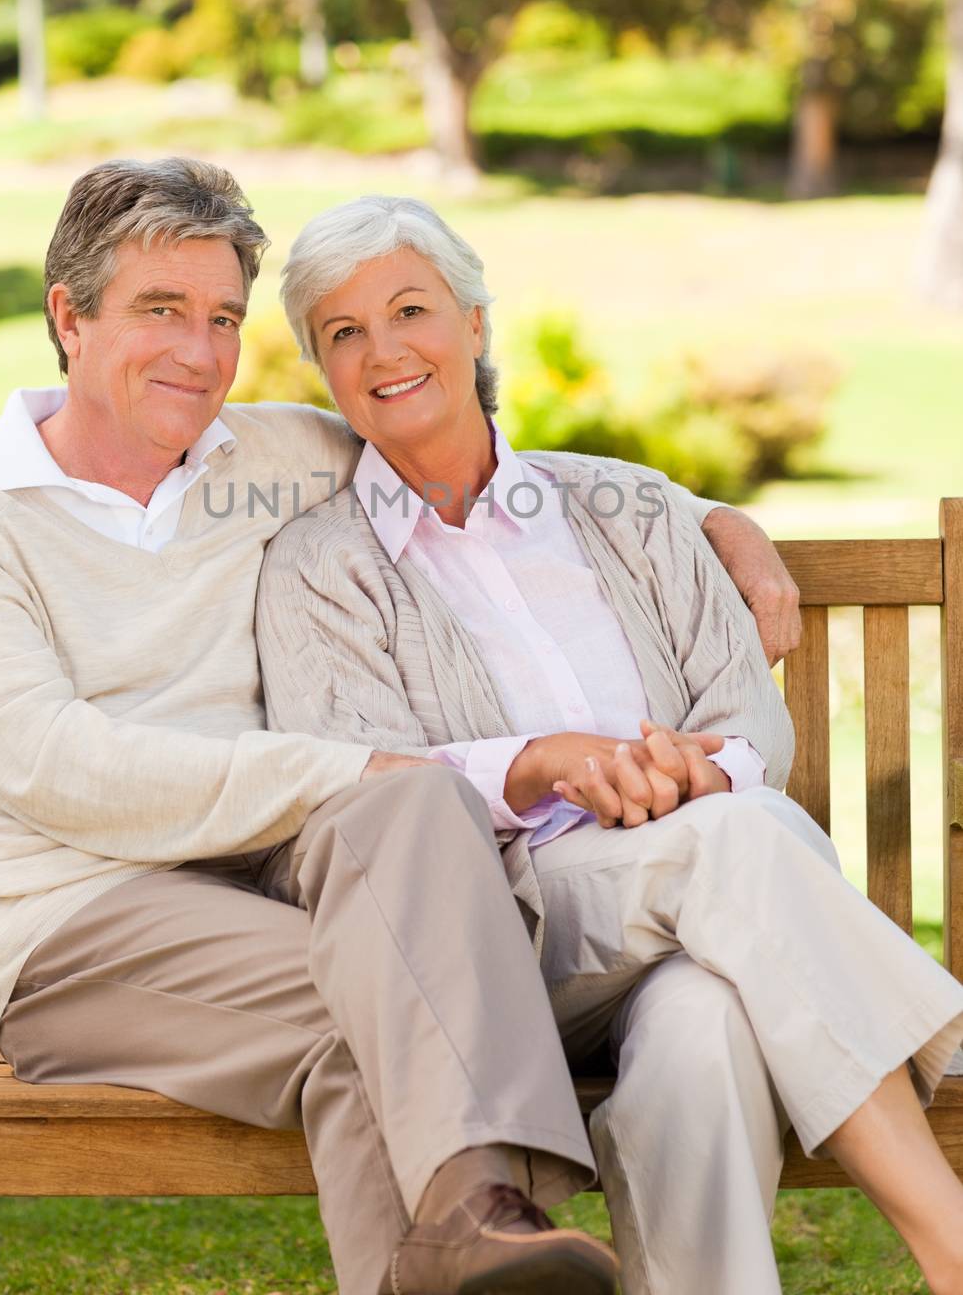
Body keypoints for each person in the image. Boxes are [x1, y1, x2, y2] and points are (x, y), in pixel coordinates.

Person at [0, 157, 801, 1295]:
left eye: (222, 318)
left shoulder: (265, 458)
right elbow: (54, 766)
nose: (196, 351)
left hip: (273, 887)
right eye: (159, 310)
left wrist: (712, 518)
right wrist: (347, 769)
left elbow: (476, 450)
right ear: (67, 317)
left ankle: (473, 1232)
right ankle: (478, 1217)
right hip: (72, 923)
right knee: (379, 1009)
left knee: (413, 814)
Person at [255, 192, 963, 1295]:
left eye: (411, 309)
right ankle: (948, 1240)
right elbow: (355, 783)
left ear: (476, 322)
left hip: (697, 924)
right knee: (735, 842)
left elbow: (746, 716)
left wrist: (692, 769)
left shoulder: (626, 507)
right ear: (321, 369)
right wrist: (541, 763)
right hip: (499, 939)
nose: (384, 351)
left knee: (703, 1031)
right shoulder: (318, 567)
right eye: (343, 333)